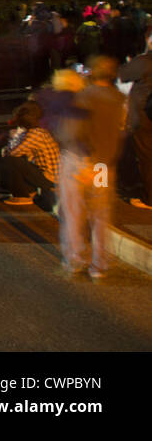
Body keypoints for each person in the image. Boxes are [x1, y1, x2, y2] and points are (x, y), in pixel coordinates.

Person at [58, 56, 124, 280]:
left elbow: (70, 132)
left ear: (91, 73)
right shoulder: (118, 98)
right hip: (103, 165)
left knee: (74, 211)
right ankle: (99, 264)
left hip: (79, 161)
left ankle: (75, 258)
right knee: (100, 213)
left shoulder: (84, 97)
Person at [116, 29, 152, 209]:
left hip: (145, 116)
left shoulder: (145, 61)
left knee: (147, 157)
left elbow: (122, 75)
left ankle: (149, 197)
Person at [1, 100, 59, 208]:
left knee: (12, 160)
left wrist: (10, 141)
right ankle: (29, 191)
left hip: (49, 178)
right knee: (19, 159)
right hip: (51, 175)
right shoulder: (39, 131)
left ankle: (22, 196)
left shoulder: (34, 134)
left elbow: (13, 153)